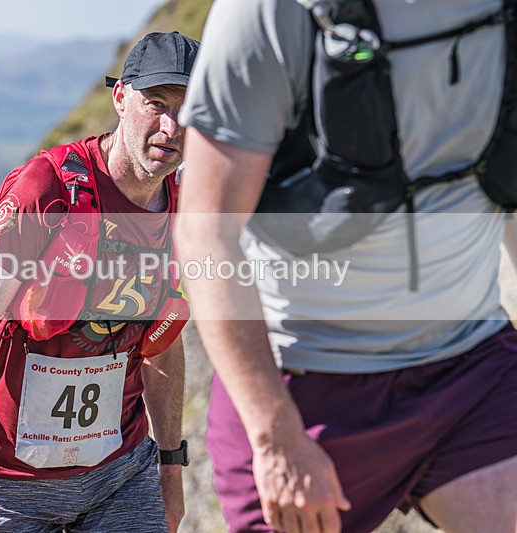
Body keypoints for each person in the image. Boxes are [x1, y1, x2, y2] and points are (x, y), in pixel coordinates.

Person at [175, 0, 517, 532]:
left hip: (472, 365)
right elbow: (205, 234)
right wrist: (275, 436)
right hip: (303, 391)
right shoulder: (270, 12)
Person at [0, 31, 199, 533]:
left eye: (191, 111)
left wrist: (170, 468)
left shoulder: (187, 208)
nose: (172, 127)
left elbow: (162, 345)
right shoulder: (47, 188)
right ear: (120, 98)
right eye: (156, 103)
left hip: (123, 474)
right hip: (10, 483)